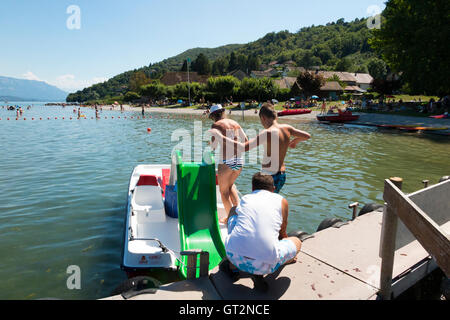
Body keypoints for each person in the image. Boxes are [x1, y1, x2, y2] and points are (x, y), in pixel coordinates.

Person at [210, 103, 310, 194]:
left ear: (263, 118)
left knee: (262, 205)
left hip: (269, 177)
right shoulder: (287, 128)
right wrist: (294, 142)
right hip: (282, 175)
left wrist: (221, 137)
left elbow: (243, 147)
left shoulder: (267, 133)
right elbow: (307, 136)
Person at [222, 173, 302, 277]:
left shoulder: (246, 198)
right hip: (266, 267)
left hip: (234, 257)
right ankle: (269, 267)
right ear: (273, 189)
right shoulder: (282, 201)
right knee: (297, 242)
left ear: (252, 188)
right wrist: (288, 250)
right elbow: (282, 232)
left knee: (234, 213)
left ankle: (233, 267)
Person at [209, 104, 248, 220]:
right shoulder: (235, 123)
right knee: (231, 187)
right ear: (223, 112)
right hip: (239, 160)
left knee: (224, 192)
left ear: (213, 116)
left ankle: (229, 218)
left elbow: (213, 146)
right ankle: (240, 216)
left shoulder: (216, 125)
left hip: (226, 161)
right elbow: (245, 141)